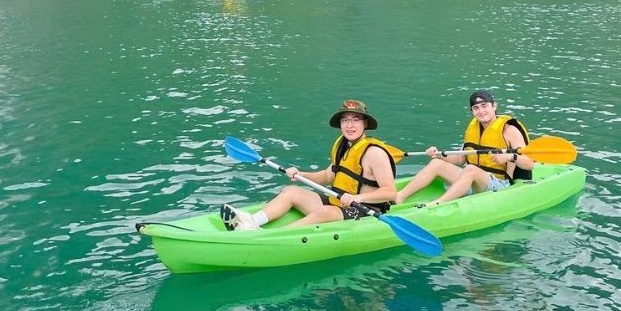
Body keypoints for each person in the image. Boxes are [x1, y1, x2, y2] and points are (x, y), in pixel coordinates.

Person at [221, 99, 400, 230]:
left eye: (355, 120)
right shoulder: (342, 145)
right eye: (345, 120)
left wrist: (358, 199)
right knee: (291, 192)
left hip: (363, 210)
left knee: (325, 213)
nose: (349, 125)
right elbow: (327, 176)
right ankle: (252, 222)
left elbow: (390, 192)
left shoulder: (375, 153)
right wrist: (301, 175)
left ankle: (273, 236)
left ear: (365, 123)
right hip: (337, 202)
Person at [394, 90, 535, 207]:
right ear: (472, 111)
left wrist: (511, 156)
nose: (481, 111)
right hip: (472, 179)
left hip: (498, 184)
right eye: (476, 108)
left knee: (471, 169)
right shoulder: (473, 129)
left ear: (494, 106)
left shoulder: (508, 130)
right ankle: (399, 196)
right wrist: (438, 154)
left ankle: (437, 204)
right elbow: (459, 159)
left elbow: (529, 164)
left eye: (484, 106)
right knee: (437, 163)